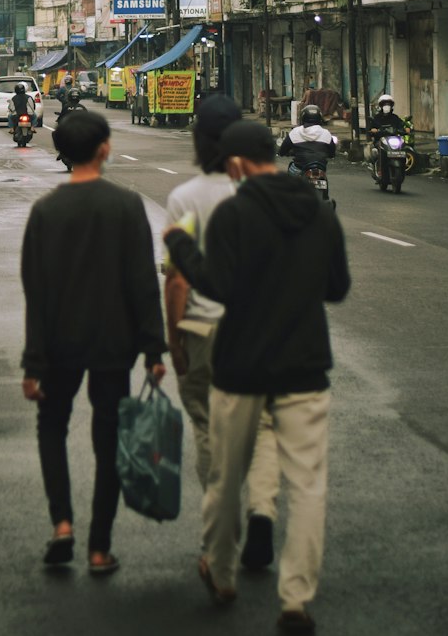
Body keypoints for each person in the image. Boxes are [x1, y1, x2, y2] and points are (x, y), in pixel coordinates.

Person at [165, 121, 350, 633]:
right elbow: (336, 289)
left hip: (241, 366)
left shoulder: (233, 214)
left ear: (241, 163)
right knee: (308, 485)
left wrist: (181, 248)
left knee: (225, 477)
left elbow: (217, 286)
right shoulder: (319, 211)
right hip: (306, 367)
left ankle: (221, 573)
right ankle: (295, 600)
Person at [21, 107, 167, 575]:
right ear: (104, 149)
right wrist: (153, 350)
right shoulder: (126, 206)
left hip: (59, 343)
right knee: (108, 440)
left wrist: (33, 362)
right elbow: (143, 281)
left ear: (61, 152)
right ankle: (99, 548)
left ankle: (62, 524)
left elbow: (36, 291)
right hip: (113, 344)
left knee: (51, 427)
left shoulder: (45, 212)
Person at [164, 95, 279, 570]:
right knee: (266, 426)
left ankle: (223, 525)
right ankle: (263, 510)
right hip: (259, 329)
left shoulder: (185, 198)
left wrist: (174, 339)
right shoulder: (260, 194)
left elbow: (177, 277)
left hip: (203, 328)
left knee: (210, 426)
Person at [279, 103, 339, 177]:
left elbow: (283, 150)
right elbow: (332, 152)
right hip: (320, 167)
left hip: (300, 167)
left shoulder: (295, 132)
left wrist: (284, 153)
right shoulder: (325, 133)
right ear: (319, 118)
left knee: (292, 173)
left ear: (302, 117)